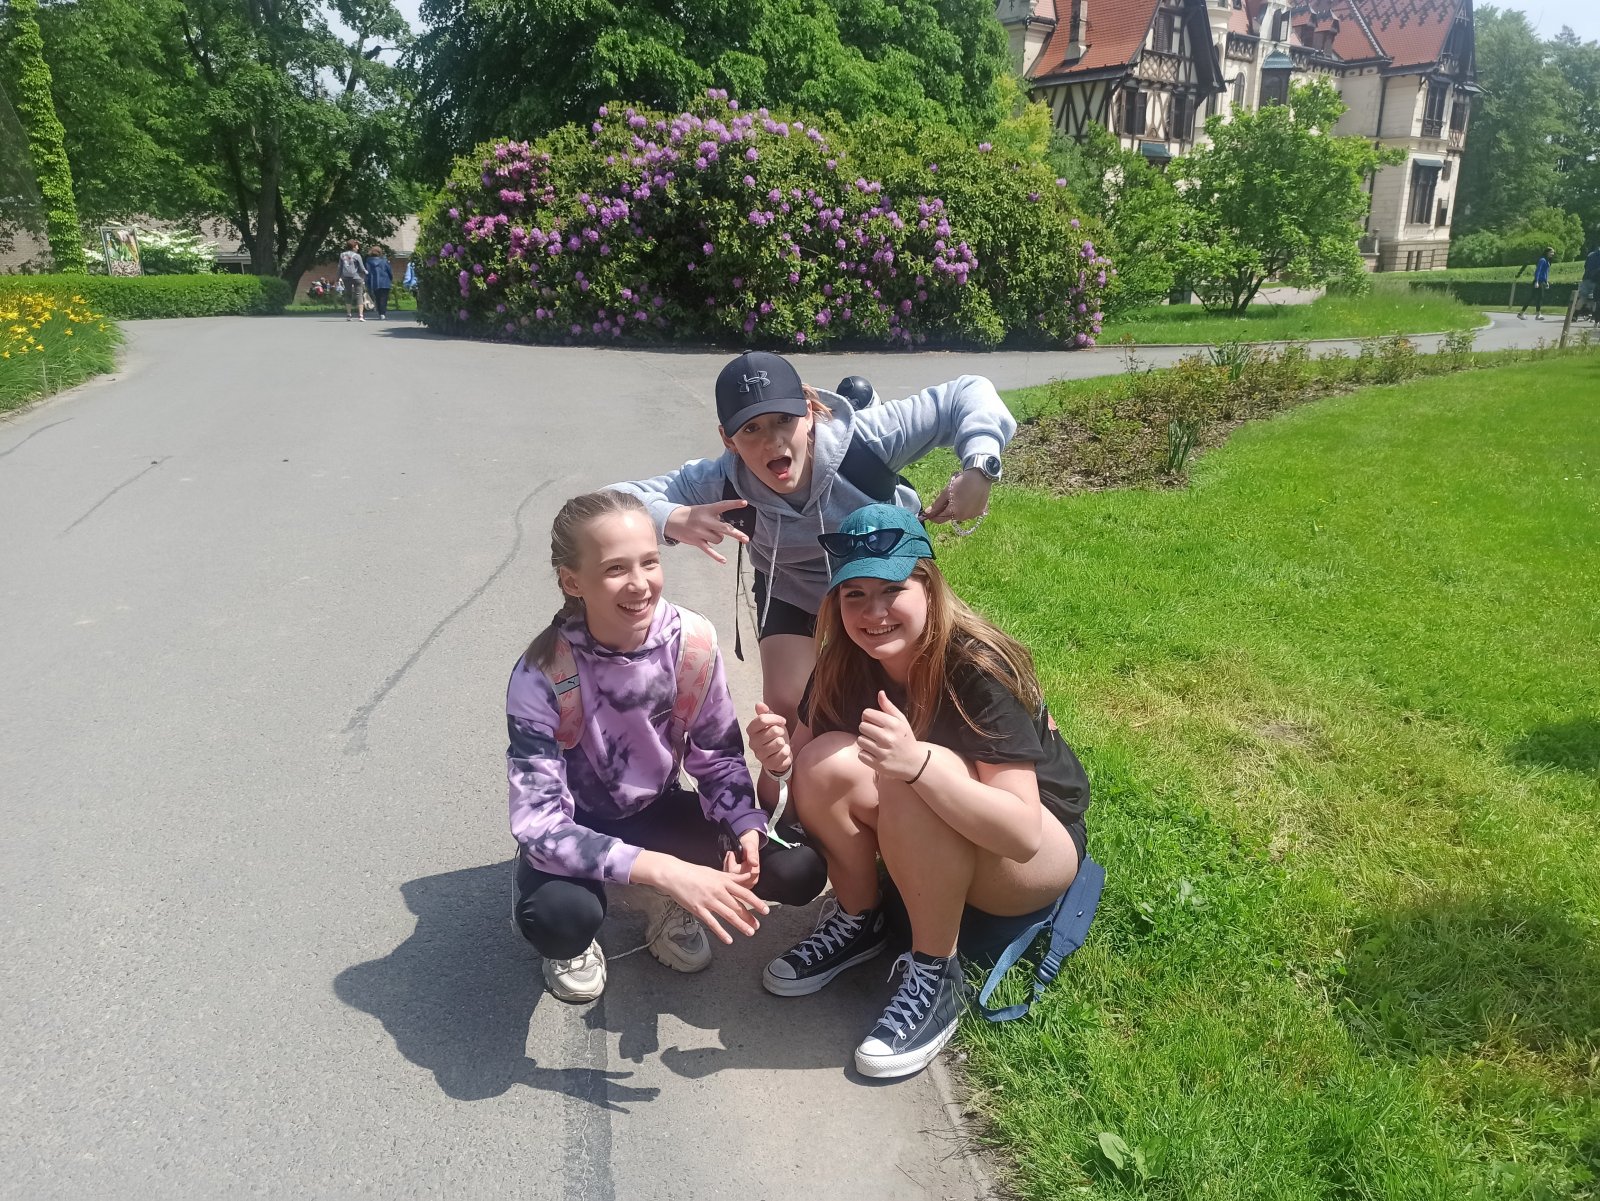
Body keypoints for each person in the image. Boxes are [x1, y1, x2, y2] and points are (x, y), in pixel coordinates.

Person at [745, 503, 1090, 1078]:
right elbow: (790, 798)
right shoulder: (842, 663)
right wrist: (776, 764)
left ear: (929, 588)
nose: (873, 612)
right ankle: (861, 918)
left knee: (907, 772)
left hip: (1034, 849)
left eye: (892, 590)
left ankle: (937, 974)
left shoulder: (976, 666)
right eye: (854, 594)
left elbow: (1022, 833)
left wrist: (919, 766)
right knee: (823, 760)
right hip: (940, 820)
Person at [506, 490, 827, 1002]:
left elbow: (718, 757)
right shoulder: (543, 674)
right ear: (572, 582)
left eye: (650, 562)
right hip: (575, 822)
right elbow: (539, 824)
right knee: (559, 918)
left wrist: (744, 826)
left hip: (655, 808)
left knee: (796, 868)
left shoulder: (691, 642)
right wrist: (671, 870)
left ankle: (658, 897)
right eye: (615, 568)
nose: (639, 583)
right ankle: (622, 902)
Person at [611, 351, 1015, 732]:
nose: (772, 441)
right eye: (750, 429)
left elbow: (968, 391)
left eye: (783, 419)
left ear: (808, 412)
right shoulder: (721, 480)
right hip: (793, 585)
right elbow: (605, 503)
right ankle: (808, 781)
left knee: (920, 694)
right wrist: (672, 517)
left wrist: (981, 467)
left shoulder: (866, 439)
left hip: (881, 575)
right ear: (727, 439)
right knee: (789, 708)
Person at [1518, 247, 1555, 320]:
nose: (1553, 254)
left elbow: (1546, 273)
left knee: (1532, 298)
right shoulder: (1542, 260)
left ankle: (1521, 314)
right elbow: (1538, 271)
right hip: (1538, 282)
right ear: (1547, 252)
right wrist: (1536, 281)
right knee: (1540, 297)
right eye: (1551, 252)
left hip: (1542, 281)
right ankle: (1538, 315)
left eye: (1553, 252)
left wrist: (1546, 281)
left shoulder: (1547, 261)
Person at [337, 239, 367, 322]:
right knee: (359, 295)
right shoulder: (357, 256)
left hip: (346, 277)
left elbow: (340, 267)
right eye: (357, 246)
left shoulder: (342, 255)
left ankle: (349, 315)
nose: (358, 248)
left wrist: (337, 278)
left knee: (348, 295)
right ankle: (360, 316)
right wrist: (366, 273)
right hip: (357, 277)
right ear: (353, 246)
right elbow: (362, 268)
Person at [365, 245, 394, 320]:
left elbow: (367, 273)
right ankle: (383, 313)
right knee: (384, 298)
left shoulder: (368, 261)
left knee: (377, 298)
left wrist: (367, 282)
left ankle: (380, 313)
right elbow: (389, 271)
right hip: (385, 282)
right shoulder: (384, 261)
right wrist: (391, 278)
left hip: (374, 282)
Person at [1582, 244, 1600, 324]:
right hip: (1595, 281)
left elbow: (1585, 266)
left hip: (1588, 278)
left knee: (1590, 299)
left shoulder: (1590, 255)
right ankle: (1593, 317)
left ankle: (1577, 315)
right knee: (1594, 301)